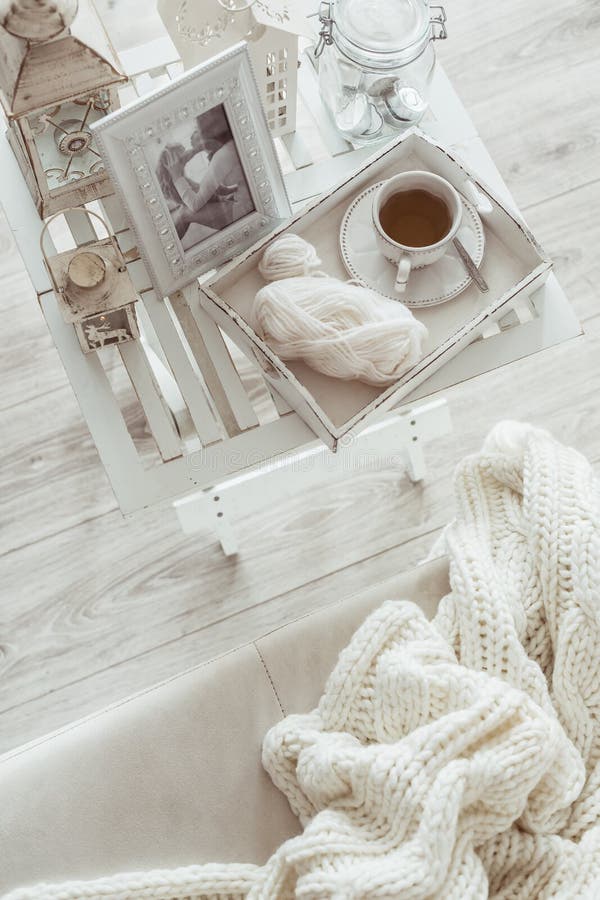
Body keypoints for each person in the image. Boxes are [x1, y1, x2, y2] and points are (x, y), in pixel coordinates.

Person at [161, 106, 254, 243]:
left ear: (207, 131)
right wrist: (196, 150)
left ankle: (166, 248)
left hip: (245, 210)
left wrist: (176, 176)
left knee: (184, 213)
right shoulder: (228, 147)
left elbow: (194, 204)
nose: (192, 136)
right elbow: (216, 189)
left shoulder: (222, 156)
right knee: (193, 203)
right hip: (246, 201)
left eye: (196, 130)